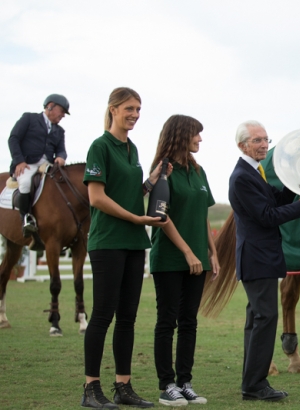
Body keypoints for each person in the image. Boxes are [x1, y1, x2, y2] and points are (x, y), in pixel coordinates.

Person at [81, 87, 168, 409]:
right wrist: (136, 218)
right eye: (129, 108)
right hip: (108, 241)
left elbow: (131, 191)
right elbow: (97, 198)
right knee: (102, 315)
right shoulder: (99, 146)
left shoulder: (131, 149)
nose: (134, 114)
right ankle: (91, 389)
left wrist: (151, 180)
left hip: (133, 242)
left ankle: (123, 386)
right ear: (113, 109)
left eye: (138, 109)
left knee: (128, 318)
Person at [229, 120, 300, 401]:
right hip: (256, 259)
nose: (264, 145)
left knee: (256, 319)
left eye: (266, 140)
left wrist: (299, 182)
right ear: (242, 145)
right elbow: (268, 216)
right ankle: (256, 384)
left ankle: (252, 383)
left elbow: (277, 198)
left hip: (263, 258)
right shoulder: (242, 178)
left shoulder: (256, 174)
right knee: (265, 318)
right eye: (257, 141)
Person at [149, 115, 219, 406]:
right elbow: (162, 217)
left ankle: (184, 382)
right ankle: (167, 385)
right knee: (167, 321)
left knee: (189, 321)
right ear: (180, 135)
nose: (200, 139)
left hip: (198, 259)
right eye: (196, 134)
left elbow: (203, 215)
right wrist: (188, 252)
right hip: (169, 258)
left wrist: (211, 253)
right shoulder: (162, 171)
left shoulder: (199, 171)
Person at [8, 94, 70, 237]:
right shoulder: (29, 119)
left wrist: (61, 157)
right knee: (24, 183)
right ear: (50, 106)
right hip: (26, 164)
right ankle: (26, 219)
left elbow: (61, 149)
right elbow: (14, 139)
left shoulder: (59, 131)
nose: (63, 115)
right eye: (62, 111)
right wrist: (19, 161)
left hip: (47, 164)